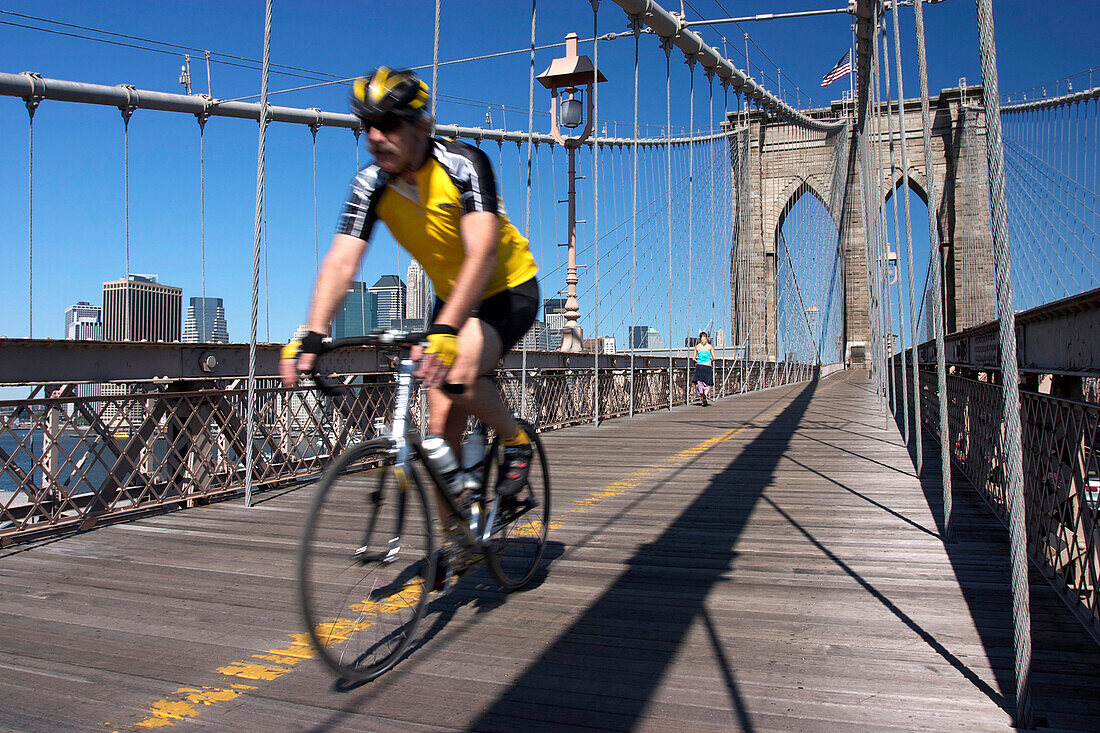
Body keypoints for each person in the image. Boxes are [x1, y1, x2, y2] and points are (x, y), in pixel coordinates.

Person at [280, 67, 539, 576]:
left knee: (461, 372)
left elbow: (482, 252)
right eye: (368, 126)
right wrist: (311, 333)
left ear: (422, 125)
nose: (377, 137)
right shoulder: (370, 185)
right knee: (438, 431)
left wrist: (445, 333)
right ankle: (459, 535)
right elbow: (342, 260)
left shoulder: (465, 164)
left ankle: (514, 440)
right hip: (452, 300)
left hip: (507, 289)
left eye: (391, 123)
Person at [693, 331, 714, 406]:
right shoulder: (710, 346)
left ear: (699, 338)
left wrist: (698, 361)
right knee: (707, 383)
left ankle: (702, 396)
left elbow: (693, 358)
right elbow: (714, 358)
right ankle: (705, 394)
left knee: (700, 383)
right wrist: (709, 360)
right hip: (707, 366)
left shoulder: (697, 347)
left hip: (699, 366)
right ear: (707, 338)